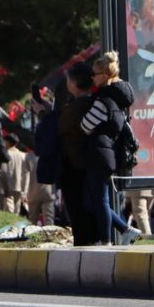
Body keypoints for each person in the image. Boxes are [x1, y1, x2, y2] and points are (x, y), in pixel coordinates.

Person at [80, 51, 140, 245]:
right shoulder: (116, 102)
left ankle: (106, 241)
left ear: (105, 76)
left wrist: (88, 128)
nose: (92, 78)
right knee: (93, 201)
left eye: (94, 74)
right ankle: (125, 229)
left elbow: (85, 125)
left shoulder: (103, 101)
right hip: (107, 154)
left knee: (101, 200)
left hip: (100, 154)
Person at [58, 63, 99, 246]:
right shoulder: (94, 102)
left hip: (75, 165)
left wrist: (44, 113)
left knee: (78, 210)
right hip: (90, 163)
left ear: (74, 83)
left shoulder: (77, 107)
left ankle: (84, 244)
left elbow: (60, 129)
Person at [0, 134, 29, 215]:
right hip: (19, 187)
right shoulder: (24, 156)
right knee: (16, 212)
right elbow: (26, 174)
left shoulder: (5, 154)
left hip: (7, 187)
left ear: (8, 142)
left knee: (8, 212)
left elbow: (3, 170)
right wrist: (25, 190)